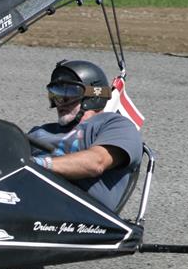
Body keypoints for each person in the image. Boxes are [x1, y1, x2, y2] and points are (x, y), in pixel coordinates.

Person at [29, 60, 143, 211]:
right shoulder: (40, 131)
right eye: (56, 93)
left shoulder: (116, 125)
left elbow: (96, 162)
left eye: (68, 93)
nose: (60, 102)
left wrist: (37, 164)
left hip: (74, 217)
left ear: (93, 96)